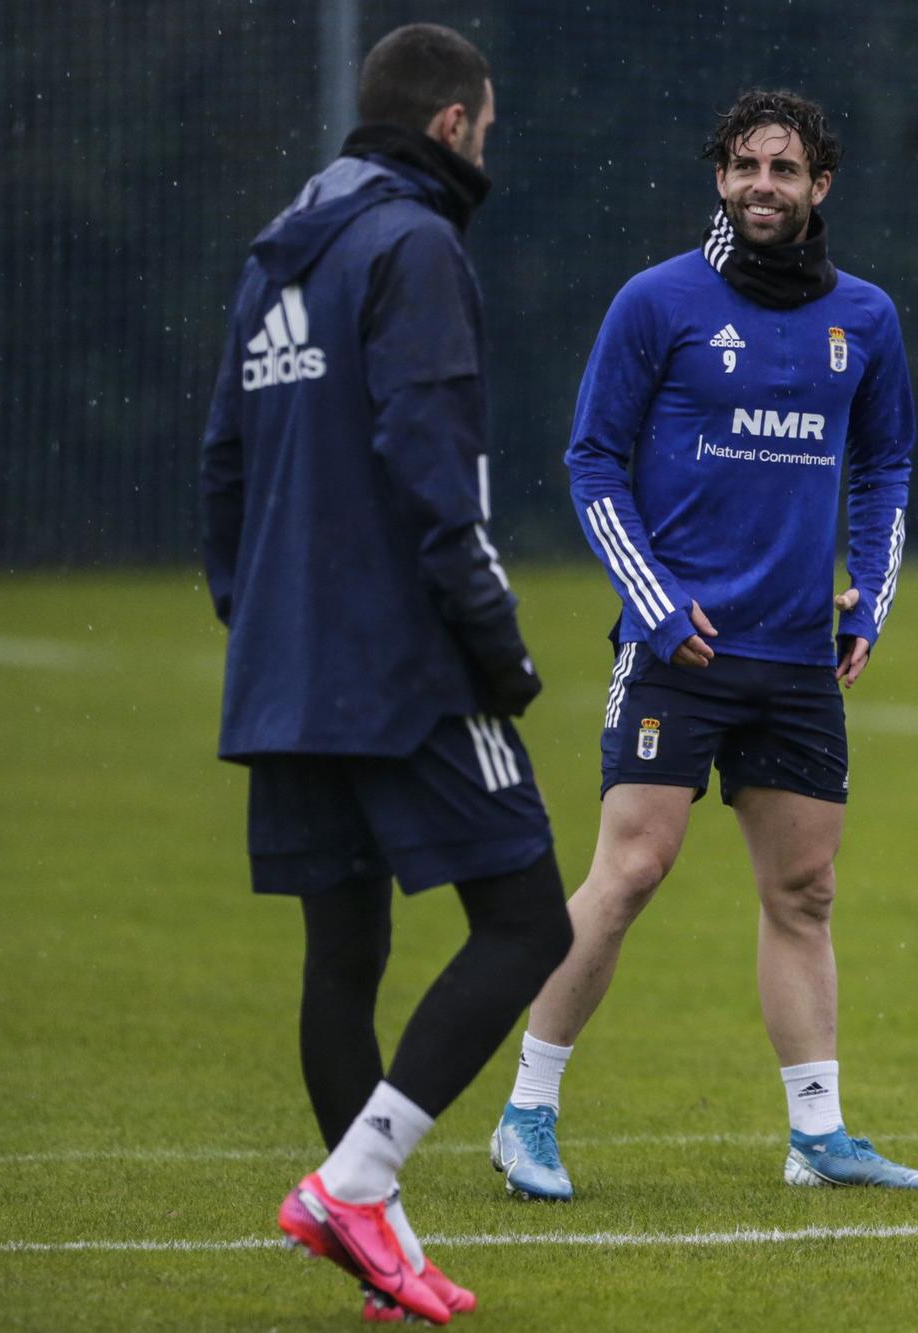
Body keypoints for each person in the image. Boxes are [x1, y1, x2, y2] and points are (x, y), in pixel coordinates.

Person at [488, 88, 918, 1199]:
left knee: (805, 891)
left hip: (794, 657)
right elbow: (592, 461)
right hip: (676, 647)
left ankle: (817, 1135)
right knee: (630, 870)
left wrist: (866, 600)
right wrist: (649, 602)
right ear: (719, 178)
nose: (761, 187)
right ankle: (525, 1113)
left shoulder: (865, 320)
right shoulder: (657, 302)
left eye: (783, 169)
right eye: (742, 167)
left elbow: (884, 469)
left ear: (820, 184)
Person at [199, 22, 574, 1320]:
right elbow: (435, 464)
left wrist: (260, 629)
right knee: (531, 917)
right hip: (403, 659)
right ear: (457, 126)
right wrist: (495, 639)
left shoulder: (275, 258)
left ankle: (378, 1249)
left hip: (287, 668)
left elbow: (222, 470)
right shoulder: (416, 243)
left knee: (343, 952)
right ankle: (358, 1185)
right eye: (491, 127)